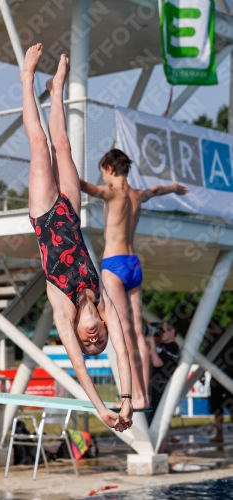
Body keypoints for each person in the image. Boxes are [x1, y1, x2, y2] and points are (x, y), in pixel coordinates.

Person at [21, 44, 132, 431]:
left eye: (90, 344)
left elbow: (82, 370)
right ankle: (55, 91)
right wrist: (127, 401)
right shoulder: (102, 301)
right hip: (70, 209)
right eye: (97, 339)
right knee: (63, 145)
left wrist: (102, 408)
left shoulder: (64, 312)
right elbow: (123, 351)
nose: (93, 338)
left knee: (39, 146)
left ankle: (27, 79)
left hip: (45, 215)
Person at [80, 149, 189, 409]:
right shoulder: (137, 196)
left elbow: (84, 187)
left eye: (103, 173)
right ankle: (144, 396)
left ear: (109, 168)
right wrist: (174, 187)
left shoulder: (111, 193)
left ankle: (135, 396)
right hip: (133, 265)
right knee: (137, 333)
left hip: (115, 265)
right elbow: (157, 190)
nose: (102, 179)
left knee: (124, 332)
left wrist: (59, 170)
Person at [146, 322, 180, 425]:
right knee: (150, 417)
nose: (161, 334)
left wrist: (152, 344)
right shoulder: (160, 345)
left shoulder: (173, 348)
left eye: (163, 331)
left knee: (155, 418)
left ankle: (158, 439)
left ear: (172, 331)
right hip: (152, 386)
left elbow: (157, 363)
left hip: (160, 387)